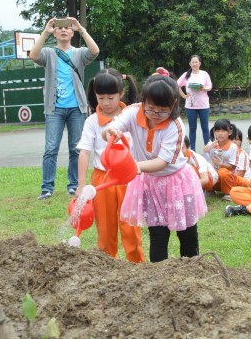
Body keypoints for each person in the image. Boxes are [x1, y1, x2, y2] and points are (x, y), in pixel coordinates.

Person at [102, 75, 207, 263]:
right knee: (158, 234)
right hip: (150, 184)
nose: (155, 114)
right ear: (144, 101)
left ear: (174, 104)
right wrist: (110, 131)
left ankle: (192, 274)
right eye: (151, 108)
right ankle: (159, 279)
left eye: (162, 111)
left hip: (177, 182)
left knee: (187, 234)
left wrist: (132, 166)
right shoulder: (134, 112)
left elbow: (162, 162)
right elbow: (113, 126)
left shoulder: (175, 125)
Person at [75, 69, 145, 263]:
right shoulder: (91, 121)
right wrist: (81, 185)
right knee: (105, 230)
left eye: (110, 97)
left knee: (131, 228)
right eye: (101, 97)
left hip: (128, 179)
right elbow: (85, 152)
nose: (105, 103)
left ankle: (138, 267)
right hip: (101, 181)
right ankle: (107, 267)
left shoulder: (132, 115)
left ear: (121, 94)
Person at [29, 17, 99, 200]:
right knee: (50, 149)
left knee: (76, 149)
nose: (63, 30)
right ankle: (47, 187)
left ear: (71, 32)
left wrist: (81, 28)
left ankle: (74, 184)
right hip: (54, 109)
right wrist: (45, 31)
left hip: (77, 108)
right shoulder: (49, 53)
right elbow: (33, 56)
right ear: (55, 32)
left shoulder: (79, 53)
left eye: (67, 28)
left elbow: (95, 51)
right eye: (59, 28)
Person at [177, 55, 212, 151]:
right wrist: (184, 96)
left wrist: (204, 88)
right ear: (190, 64)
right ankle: (192, 150)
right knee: (192, 128)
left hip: (204, 105)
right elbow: (176, 85)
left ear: (200, 63)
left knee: (205, 127)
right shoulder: (186, 75)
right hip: (190, 106)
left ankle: (207, 149)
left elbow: (210, 86)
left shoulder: (204, 74)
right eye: (193, 62)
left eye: (196, 62)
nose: (195, 64)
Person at [203, 119, 239, 200]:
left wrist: (221, 164)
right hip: (215, 177)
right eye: (218, 131)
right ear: (214, 132)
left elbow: (233, 167)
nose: (220, 133)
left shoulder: (233, 147)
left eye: (223, 131)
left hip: (228, 179)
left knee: (222, 171)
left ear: (229, 132)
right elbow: (204, 150)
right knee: (204, 172)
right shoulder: (212, 144)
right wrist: (211, 145)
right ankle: (210, 190)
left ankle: (228, 193)